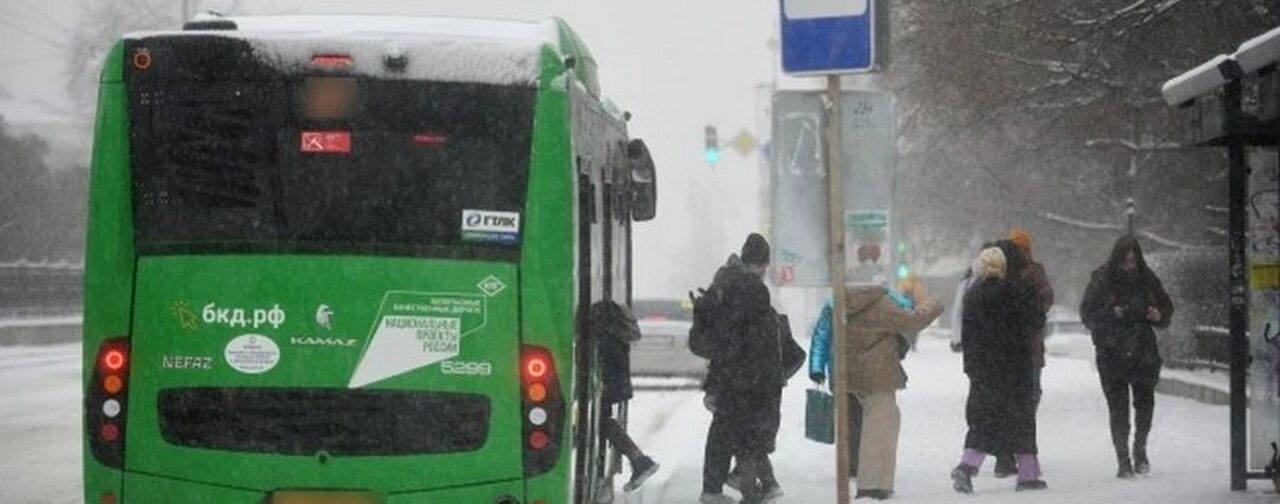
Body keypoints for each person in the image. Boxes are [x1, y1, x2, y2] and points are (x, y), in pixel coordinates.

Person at [950, 246, 1048, 494]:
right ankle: (1028, 474)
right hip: (1015, 366)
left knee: (983, 421)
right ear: (1004, 267)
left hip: (985, 369)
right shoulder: (1018, 291)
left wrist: (972, 368)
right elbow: (1037, 319)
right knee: (1022, 420)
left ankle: (967, 466)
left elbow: (968, 335)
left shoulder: (973, 295)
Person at [700, 233, 787, 504]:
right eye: (763, 266)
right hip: (746, 377)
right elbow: (745, 337)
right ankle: (746, 489)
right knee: (744, 435)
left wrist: (716, 381)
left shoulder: (727, 282)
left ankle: (741, 487)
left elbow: (726, 338)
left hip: (735, 376)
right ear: (760, 264)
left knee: (732, 433)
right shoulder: (750, 288)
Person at [1080, 236, 1174, 478]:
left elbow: (1167, 308)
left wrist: (1158, 315)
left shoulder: (1147, 278)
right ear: (1117, 259)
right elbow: (1087, 314)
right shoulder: (1102, 280)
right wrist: (1112, 313)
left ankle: (1140, 448)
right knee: (1118, 408)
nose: (1130, 265)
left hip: (1143, 350)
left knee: (1145, 404)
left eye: (1134, 260)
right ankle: (1123, 459)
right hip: (1112, 352)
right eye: (1126, 261)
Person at [844, 275, 943, 500]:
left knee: (883, 422)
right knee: (878, 427)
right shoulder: (880, 303)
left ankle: (880, 481)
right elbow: (912, 321)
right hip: (877, 375)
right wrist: (934, 304)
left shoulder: (848, 303)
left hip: (855, 373)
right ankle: (872, 485)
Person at [992, 230, 1055, 479]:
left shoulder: (1034, 272)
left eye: (1023, 248)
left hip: (1029, 349)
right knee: (1014, 400)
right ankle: (1007, 454)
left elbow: (1046, 299)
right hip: (1014, 349)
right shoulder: (1001, 274)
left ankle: (1017, 449)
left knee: (1029, 398)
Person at [591, 300, 659, 495]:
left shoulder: (604, 338)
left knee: (601, 423)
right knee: (602, 423)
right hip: (614, 385)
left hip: (608, 385)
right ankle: (638, 460)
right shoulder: (615, 332)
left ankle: (639, 460)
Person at [807, 298, 863, 479]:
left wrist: (817, 368)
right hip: (860, 373)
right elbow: (821, 338)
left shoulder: (832, 305)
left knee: (850, 420)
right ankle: (857, 463)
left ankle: (854, 463)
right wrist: (816, 368)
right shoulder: (834, 305)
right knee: (857, 419)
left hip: (843, 373)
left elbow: (821, 338)